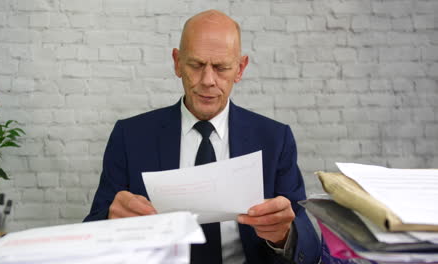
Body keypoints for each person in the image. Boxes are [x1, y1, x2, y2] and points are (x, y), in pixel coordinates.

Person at [84, 10, 321, 264]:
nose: (208, 80)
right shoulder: (129, 137)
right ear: (177, 62)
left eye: (221, 68)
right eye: (196, 65)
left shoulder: (275, 139)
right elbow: (91, 231)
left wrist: (284, 235)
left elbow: (310, 248)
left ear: (240, 69)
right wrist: (110, 221)